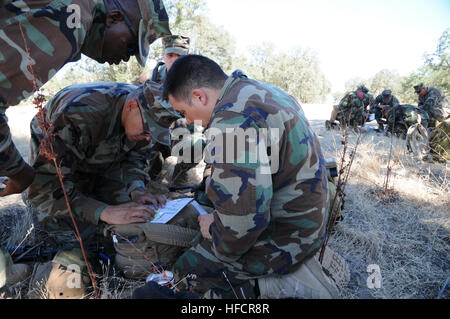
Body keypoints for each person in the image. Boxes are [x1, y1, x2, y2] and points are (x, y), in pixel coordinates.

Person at [158, 55, 339, 299]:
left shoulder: (230, 121)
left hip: (287, 240)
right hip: (309, 226)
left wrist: (213, 227)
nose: (189, 121)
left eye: (184, 111)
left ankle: (274, 286)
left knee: (184, 274)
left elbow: (240, 227)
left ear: (199, 96)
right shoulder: (263, 92)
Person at [21, 81, 179, 298]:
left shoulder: (142, 120)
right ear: (131, 106)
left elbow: (135, 158)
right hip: (56, 176)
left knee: (129, 220)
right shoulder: (77, 113)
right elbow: (45, 187)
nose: (149, 138)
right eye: (147, 130)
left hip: (101, 165)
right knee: (78, 242)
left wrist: (137, 190)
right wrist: (103, 211)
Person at [0, 0, 171, 197]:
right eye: (131, 46)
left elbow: (133, 161)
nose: (126, 58)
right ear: (114, 18)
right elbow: (47, 191)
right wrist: (20, 173)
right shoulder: (74, 17)